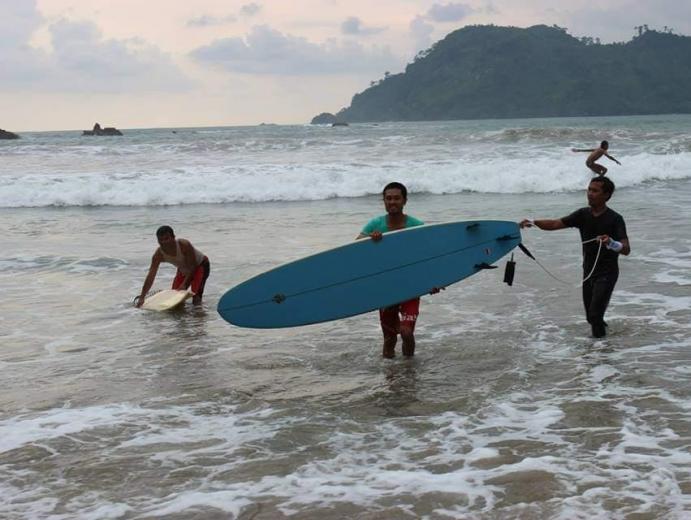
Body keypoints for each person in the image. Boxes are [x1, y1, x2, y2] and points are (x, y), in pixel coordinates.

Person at [520, 176, 630, 338]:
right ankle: (605, 342)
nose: (590, 193)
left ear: (606, 195)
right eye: (589, 189)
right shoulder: (582, 214)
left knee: (594, 315)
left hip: (607, 273)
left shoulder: (615, 219)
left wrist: (611, 243)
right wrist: (533, 222)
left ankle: (600, 349)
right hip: (588, 272)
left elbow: (626, 249)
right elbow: (555, 224)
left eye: (595, 191)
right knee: (591, 317)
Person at [357, 182, 440, 358]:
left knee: (406, 332)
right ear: (384, 201)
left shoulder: (416, 225)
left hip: (411, 286)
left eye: (396, 198)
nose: (392, 202)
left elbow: (430, 256)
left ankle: (409, 368)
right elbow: (356, 248)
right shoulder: (376, 224)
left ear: (404, 201)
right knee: (389, 339)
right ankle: (391, 372)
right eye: (388, 198)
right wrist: (370, 240)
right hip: (386, 288)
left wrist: (434, 282)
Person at [136, 225, 210, 307]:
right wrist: (142, 297)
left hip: (200, 265)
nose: (164, 242)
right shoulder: (158, 255)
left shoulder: (183, 245)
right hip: (183, 269)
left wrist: (184, 284)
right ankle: (184, 315)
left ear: (173, 237)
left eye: (166, 239)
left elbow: (193, 266)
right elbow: (151, 276)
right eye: (160, 240)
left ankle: (199, 313)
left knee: (196, 298)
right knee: (175, 298)